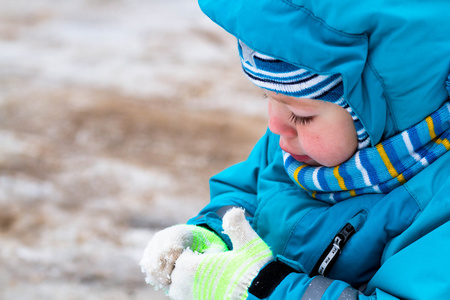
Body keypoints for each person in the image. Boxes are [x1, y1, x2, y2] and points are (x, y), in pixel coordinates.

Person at [140, 0, 450, 299]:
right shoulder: (301, 145)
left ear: (377, 117)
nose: (275, 125)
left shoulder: (438, 207)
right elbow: (246, 192)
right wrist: (210, 237)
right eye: (267, 98)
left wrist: (256, 286)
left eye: (301, 115)